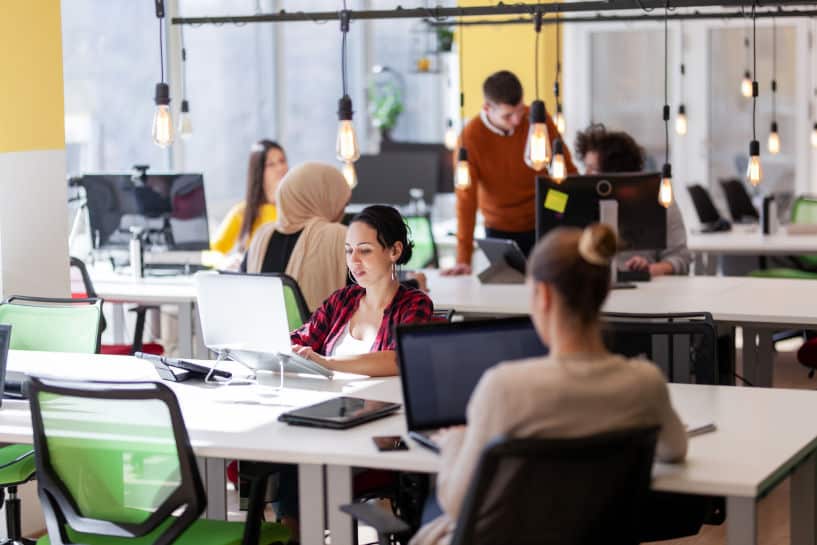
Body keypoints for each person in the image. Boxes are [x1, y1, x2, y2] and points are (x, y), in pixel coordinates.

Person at [411, 223, 687, 545]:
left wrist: (455, 444)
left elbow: (458, 504)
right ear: (605, 291)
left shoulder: (503, 387)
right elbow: (675, 450)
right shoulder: (644, 382)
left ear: (541, 295)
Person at [444, 70, 577, 276]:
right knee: (507, 294)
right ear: (487, 108)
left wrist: (558, 215)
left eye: (520, 111)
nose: (517, 120)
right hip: (499, 231)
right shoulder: (470, 138)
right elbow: (466, 201)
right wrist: (463, 258)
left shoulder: (538, 123)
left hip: (544, 223)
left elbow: (568, 174)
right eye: (508, 115)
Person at [291, 205, 434, 377]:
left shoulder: (414, 304)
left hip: (383, 402)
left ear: (395, 251)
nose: (353, 260)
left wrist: (325, 362)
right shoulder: (342, 300)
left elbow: (399, 358)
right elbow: (301, 339)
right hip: (332, 401)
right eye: (349, 250)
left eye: (365, 250)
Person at [574, 124, 692, 276]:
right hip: (590, 289)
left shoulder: (662, 201)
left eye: (592, 170)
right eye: (585, 168)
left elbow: (680, 258)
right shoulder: (577, 202)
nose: (585, 175)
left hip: (645, 294)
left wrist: (649, 270)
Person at [244, 162, 350, 311]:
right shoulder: (341, 237)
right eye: (342, 204)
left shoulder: (261, 236)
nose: (342, 211)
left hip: (261, 332)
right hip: (323, 333)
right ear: (324, 198)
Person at [210, 139, 288, 255]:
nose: (280, 168)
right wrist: (228, 262)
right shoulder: (243, 212)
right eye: (271, 164)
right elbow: (212, 252)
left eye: (282, 161)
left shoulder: (296, 208)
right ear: (259, 171)